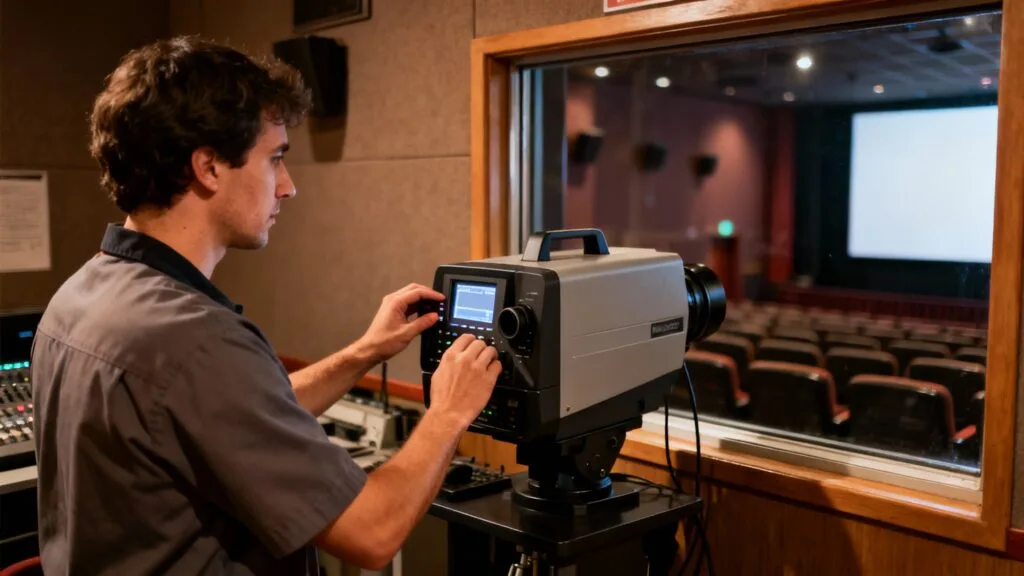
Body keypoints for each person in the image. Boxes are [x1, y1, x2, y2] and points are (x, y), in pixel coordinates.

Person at [30, 35, 500, 575]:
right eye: (275, 159)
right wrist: (448, 413)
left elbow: (231, 416)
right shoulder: (196, 339)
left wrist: (365, 353)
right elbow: (373, 533)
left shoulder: (81, 295)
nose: (288, 187)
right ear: (207, 167)